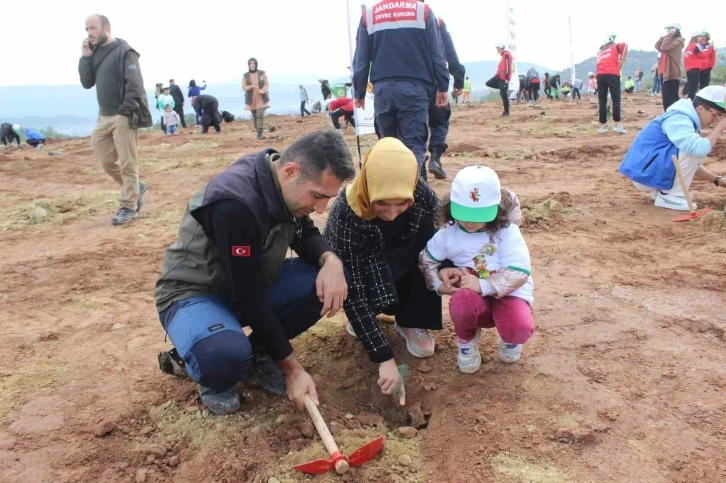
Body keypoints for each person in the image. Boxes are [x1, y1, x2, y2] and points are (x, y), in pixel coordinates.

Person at [155, 131, 356, 415]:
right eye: (317, 196)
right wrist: (293, 369)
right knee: (224, 355)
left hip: (249, 283)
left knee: (323, 281)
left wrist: (332, 261)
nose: (321, 208)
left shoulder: (281, 184)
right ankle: (208, 368)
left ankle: (259, 355)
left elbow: (305, 232)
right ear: (290, 170)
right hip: (194, 294)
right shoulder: (235, 205)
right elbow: (248, 295)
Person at [324, 138, 441, 406]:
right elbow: (351, 288)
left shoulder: (419, 191)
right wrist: (383, 357)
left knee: (433, 239)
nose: (391, 213)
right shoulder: (346, 214)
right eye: (382, 204)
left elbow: (444, 227)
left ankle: (412, 320)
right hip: (366, 267)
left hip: (404, 253)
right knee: (360, 294)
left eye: (401, 203)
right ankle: (367, 319)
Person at [419, 165, 534, 373]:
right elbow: (426, 259)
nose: (470, 222)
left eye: (480, 215)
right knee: (462, 301)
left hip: (509, 294)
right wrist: (437, 285)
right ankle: (466, 341)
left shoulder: (507, 231)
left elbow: (519, 272)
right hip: (473, 299)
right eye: (464, 213)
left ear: (496, 210)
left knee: (520, 327)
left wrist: (482, 285)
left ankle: (510, 340)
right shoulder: (449, 233)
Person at [352, 0, 449, 171]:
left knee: (388, 149)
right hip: (414, 89)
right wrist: (442, 86)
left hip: (382, 92)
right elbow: (438, 53)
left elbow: (361, 58)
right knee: (413, 150)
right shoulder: (422, 11)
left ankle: (390, 193)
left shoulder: (370, 14)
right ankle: (415, 194)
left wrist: (359, 92)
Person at [79, 14, 152, 226]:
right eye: (87, 29)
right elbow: (86, 82)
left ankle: (128, 206)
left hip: (123, 116)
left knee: (128, 163)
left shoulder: (124, 52)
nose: (89, 33)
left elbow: (135, 84)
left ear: (106, 28)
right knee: (106, 161)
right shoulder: (95, 53)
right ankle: (136, 187)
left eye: (92, 28)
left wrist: (125, 111)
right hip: (103, 116)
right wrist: (85, 57)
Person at [618, 86, 726, 211]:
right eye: (716, 115)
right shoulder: (679, 118)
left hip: (647, 170)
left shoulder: (686, 119)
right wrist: (719, 128)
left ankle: (665, 192)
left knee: (693, 147)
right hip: (644, 173)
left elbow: (687, 163)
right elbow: (698, 150)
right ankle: (671, 196)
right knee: (696, 147)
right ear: (701, 108)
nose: (715, 121)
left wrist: (716, 180)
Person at [424, 9, 465, 181]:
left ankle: (416, 168)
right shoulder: (436, 21)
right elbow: (450, 54)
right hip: (434, 82)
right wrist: (458, 80)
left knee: (412, 128)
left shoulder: (397, 21)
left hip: (409, 83)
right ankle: (435, 159)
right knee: (440, 122)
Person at [596, 33, 628, 134]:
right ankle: (617, 125)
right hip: (612, 75)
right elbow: (625, 45)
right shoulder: (615, 47)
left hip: (600, 75)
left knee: (602, 101)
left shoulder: (601, 53)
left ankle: (602, 127)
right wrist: (621, 62)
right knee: (616, 100)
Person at [656, 23, 685, 112]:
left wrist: (669, 35)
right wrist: (663, 37)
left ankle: (675, 115)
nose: (668, 31)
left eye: (670, 29)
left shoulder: (678, 41)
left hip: (672, 73)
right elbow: (658, 46)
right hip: (664, 73)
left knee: (671, 97)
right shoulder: (669, 41)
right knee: (666, 98)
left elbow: (664, 48)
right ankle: (668, 114)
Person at [243, 58, 270, 140]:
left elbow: (267, 84)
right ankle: (258, 131)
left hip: (261, 98)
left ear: (256, 64)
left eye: (253, 63)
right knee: (255, 117)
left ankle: (260, 132)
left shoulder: (262, 74)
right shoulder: (245, 76)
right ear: (248, 65)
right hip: (251, 99)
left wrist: (263, 90)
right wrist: (250, 87)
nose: (252, 65)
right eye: (250, 64)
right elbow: (244, 87)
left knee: (260, 115)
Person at [486, 44, 513, 117]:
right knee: (488, 83)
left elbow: (508, 67)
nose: (497, 50)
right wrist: (497, 74)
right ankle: (502, 88)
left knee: (504, 95)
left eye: (497, 48)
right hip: (499, 77)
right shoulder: (503, 55)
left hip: (504, 78)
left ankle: (506, 112)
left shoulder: (506, 55)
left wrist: (507, 78)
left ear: (500, 48)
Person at [683, 32, 704, 101]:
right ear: (696, 37)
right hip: (695, 68)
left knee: (691, 85)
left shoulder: (687, 47)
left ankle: (688, 98)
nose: (701, 38)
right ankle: (690, 100)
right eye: (699, 36)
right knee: (694, 86)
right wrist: (710, 49)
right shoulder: (695, 45)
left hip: (688, 69)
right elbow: (702, 55)